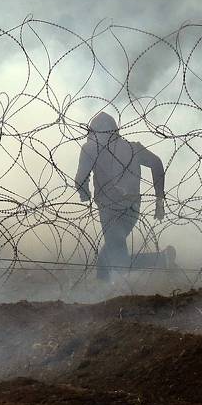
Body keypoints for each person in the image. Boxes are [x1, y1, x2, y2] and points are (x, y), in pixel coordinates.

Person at [75, 112, 166, 282]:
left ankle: (162, 258)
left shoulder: (90, 148)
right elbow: (156, 163)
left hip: (109, 211)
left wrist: (84, 194)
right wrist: (159, 200)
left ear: (93, 132)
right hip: (132, 209)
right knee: (107, 254)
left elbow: (80, 179)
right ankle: (101, 291)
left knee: (119, 261)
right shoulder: (133, 148)